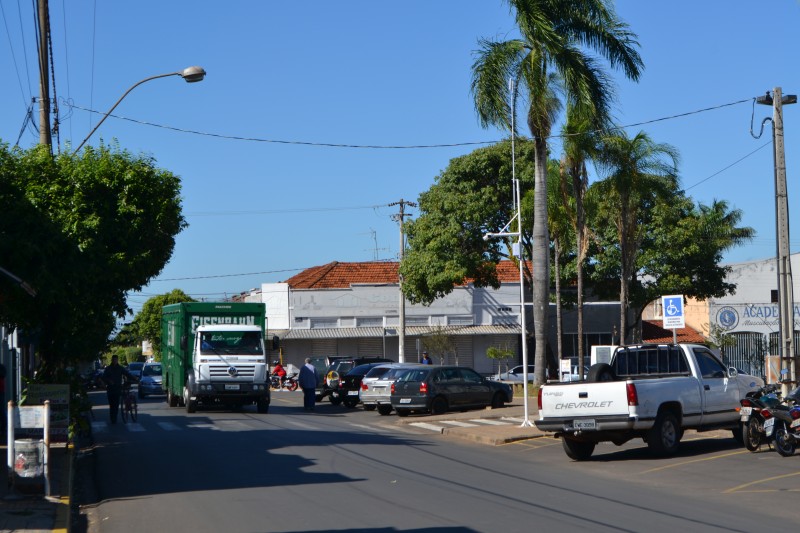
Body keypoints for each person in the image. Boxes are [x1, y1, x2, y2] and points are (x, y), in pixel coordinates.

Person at [102, 355, 135, 424]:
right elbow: (104, 377)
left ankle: (114, 419)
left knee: (116, 405)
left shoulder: (120, 368)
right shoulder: (108, 369)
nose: (115, 361)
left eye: (116, 360)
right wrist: (109, 381)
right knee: (111, 405)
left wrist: (135, 379)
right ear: (112, 360)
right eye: (114, 360)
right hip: (110, 389)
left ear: (117, 360)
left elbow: (127, 374)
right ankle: (112, 418)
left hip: (117, 389)